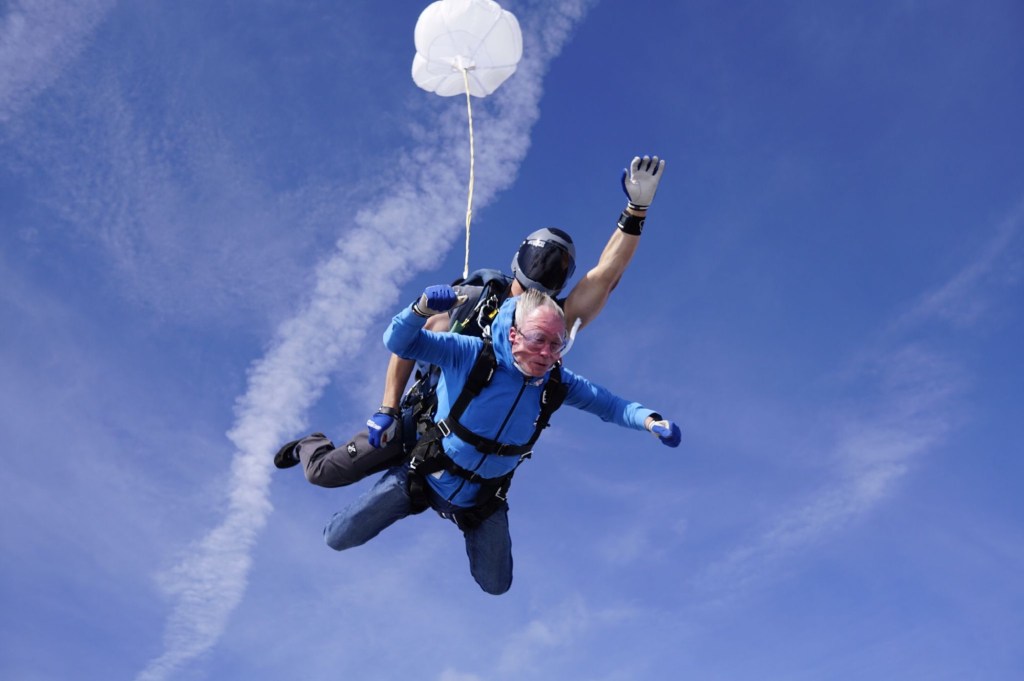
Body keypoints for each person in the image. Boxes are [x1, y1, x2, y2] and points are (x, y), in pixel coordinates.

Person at [274, 154, 667, 487]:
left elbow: (604, 277)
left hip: (474, 444)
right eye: (539, 259)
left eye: (556, 268)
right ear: (519, 259)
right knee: (325, 473)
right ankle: (310, 443)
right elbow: (407, 344)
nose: (544, 272)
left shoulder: (550, 322)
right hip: (422, 418)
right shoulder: (475, 299)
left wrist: (636, 211)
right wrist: (389, 410)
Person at [321, 285, 682, 594]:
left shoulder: (556, 382)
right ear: (513, 334)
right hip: (425, 473)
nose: (547, 354)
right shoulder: (468, 354)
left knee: (496, 585)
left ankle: (464, 518)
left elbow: (609, 404)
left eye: (556, 345)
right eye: (538, 340)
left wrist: (650, 420)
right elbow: (399, 341)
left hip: (481, 498)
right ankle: (313, 446)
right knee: (338, 537)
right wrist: (420, 310)